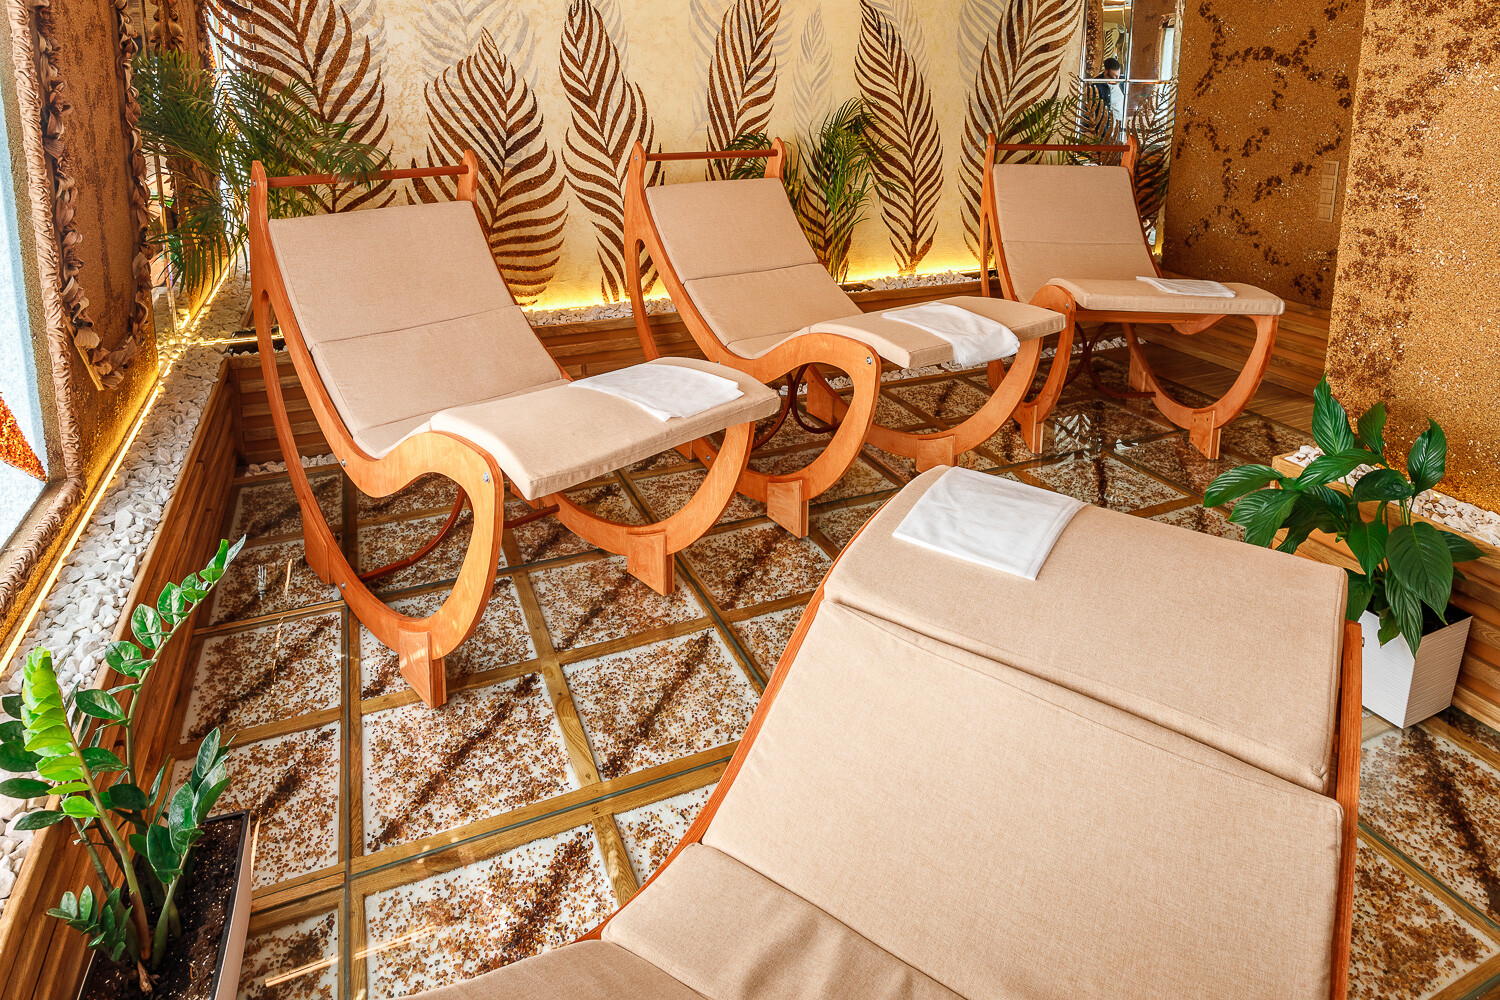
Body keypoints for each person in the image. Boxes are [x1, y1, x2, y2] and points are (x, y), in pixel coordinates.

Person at [1092, 58, 1126, 130]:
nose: (1117, 79)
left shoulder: (1123, 81)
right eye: (1114, 77)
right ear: (1106, 72)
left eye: (1118, 76)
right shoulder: (1097, 84)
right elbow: (1091, 107)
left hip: (1121, 125)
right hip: (1105, 127)